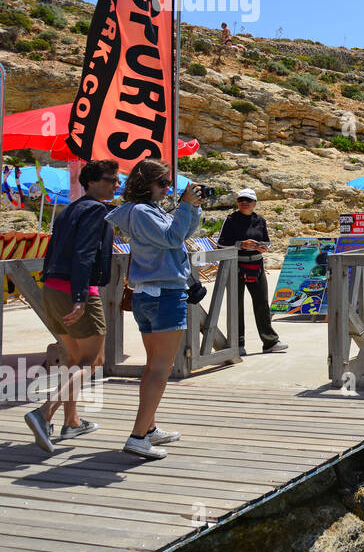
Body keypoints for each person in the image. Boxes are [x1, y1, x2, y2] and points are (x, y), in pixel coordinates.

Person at [105, 160, 203, 460]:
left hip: (151, 294)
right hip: (163, 294)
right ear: (146, 184)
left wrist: (194, 208)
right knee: (160, 369)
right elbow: (172, 238)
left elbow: (181, 234)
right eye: (162, 184)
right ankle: (137, 436)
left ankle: (148, 428)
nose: (167, 189)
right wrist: (184, 206)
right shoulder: (141, 212)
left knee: (154, 366)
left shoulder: (146, 212)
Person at [24, 159, 120, 453]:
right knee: (93, 362)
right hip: (75, 290)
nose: (116, 185)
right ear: (90, 182)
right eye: (110, 179)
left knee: (73, 361)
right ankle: (44, 413)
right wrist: (80, 297)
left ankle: (72, 421)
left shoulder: (69, 210)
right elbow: (84, 254)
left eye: (118, 180)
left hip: (52, 286)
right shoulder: (95, 210)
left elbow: (53, 249)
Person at [217, 188, 286, 355]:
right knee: (236, 305)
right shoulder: (231, 219)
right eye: (241, 199)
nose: (244, 202)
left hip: (256, 266)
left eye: (248, 200)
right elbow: (220, 244)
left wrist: (263, 248)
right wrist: (241, 244)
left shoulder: (260, 220)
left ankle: (269, 342)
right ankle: (237, 344)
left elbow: (267, 242)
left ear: (255, 203)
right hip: (236, 267)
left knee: (262, 304)